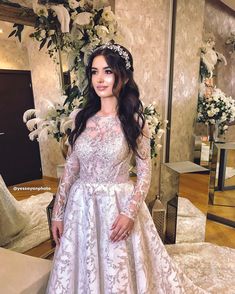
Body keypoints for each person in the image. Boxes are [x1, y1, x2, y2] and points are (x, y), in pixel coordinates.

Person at [46, 43, 207, 294]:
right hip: (81, 207)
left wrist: (130, 213)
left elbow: (144, 172)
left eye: (108, 71)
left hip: (117, 206)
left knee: (116, 268)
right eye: (94, 71)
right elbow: (71, 168)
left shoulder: (135, 121)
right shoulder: (80, 117)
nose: (99, 79)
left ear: (124, 75)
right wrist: (58, 212)